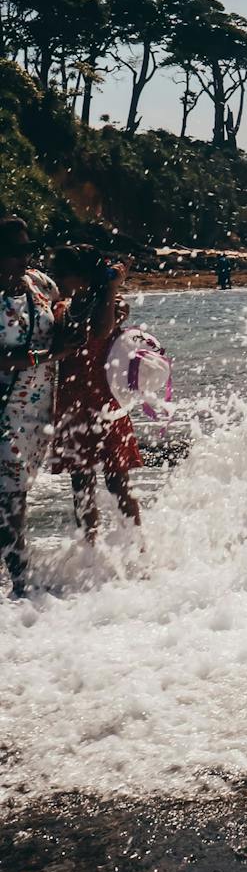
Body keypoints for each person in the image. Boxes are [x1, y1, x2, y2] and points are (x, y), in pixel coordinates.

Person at [46, 245, 142, 544]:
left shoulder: (111, 304)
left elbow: (101, 331)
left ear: (84, 276)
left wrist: (110, 287)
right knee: (81, 484)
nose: (56, 278)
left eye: (62, 273)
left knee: (117, 481)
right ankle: (90, 550)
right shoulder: (61, 307)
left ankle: (138, 550)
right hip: (72, 405)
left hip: (106, 405)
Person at [0, 216, 62, 596]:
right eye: (16, 252)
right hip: (3, 413)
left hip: (38, 413)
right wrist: (49, 355)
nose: (26, 257)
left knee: (17, 495)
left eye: (28, 249)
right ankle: (22, 588)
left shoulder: (38, 284)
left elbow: (66, 302)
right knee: (10, 501)